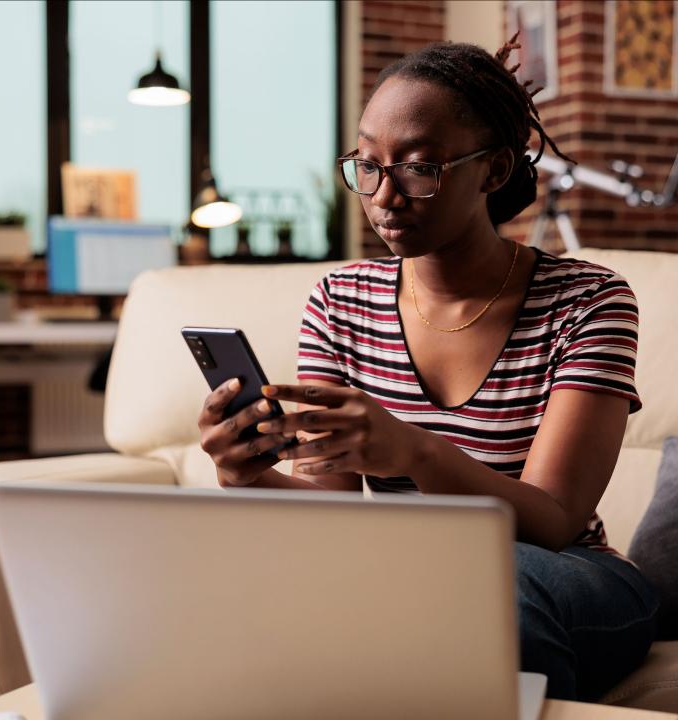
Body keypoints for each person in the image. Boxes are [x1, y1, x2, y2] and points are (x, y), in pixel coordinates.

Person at [198, 38, 658, 701]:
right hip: (401, 572)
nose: (385, 195)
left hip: (565, 575)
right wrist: (242, 476)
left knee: (492, 591)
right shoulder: (340, 302)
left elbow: (555, 519)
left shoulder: (589, 301)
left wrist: (413, 451)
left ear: (494, 170)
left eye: (419, 168)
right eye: (368, 164)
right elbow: (330, 508)